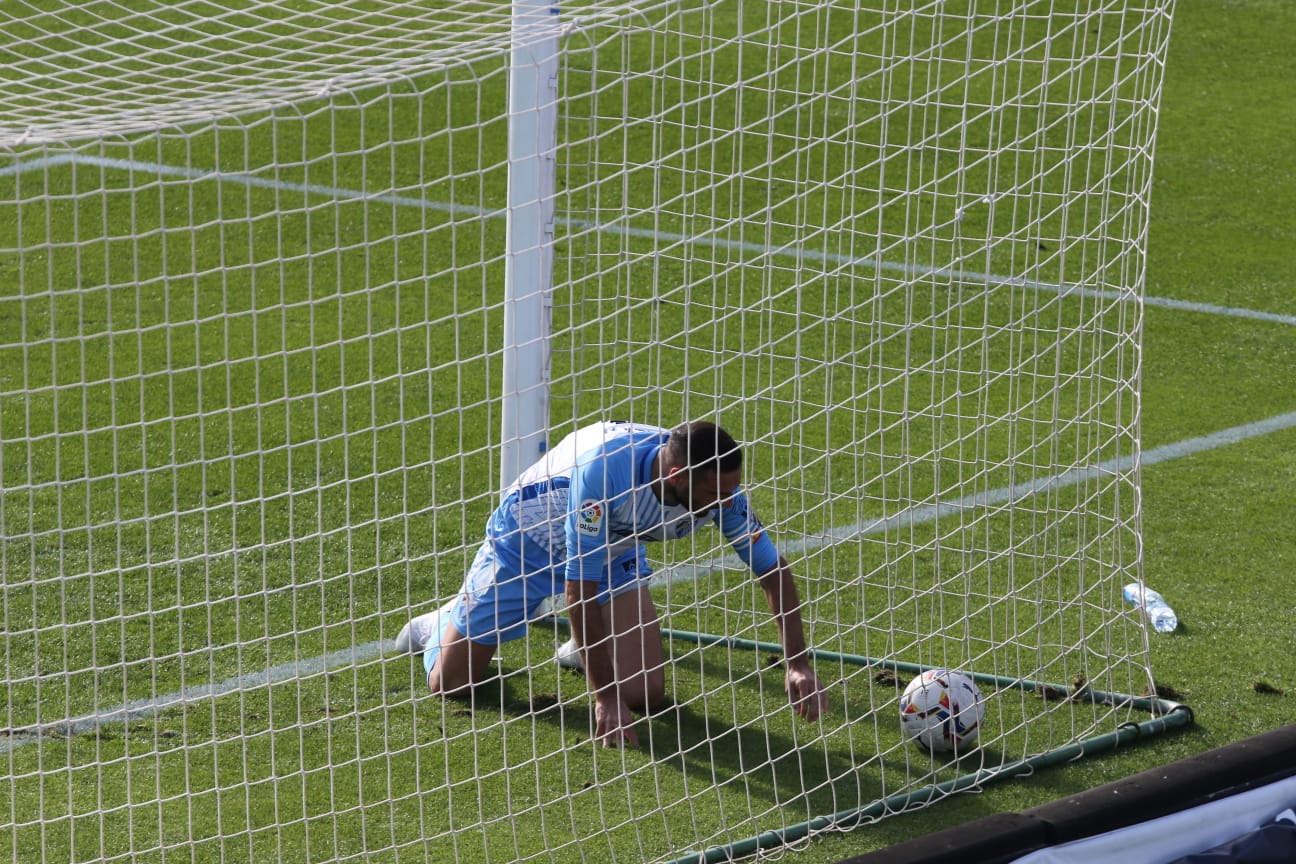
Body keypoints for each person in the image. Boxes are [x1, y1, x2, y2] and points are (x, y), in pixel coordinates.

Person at [395, 419, 827, 747]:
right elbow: (577, 589)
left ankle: (584, 650)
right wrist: (603, 697)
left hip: (614, 546)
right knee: (452, 684)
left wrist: (797, 662)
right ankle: (440, 624)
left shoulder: (719, 490)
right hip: (526, 539)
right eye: (717, 492)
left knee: (643, 693)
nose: (727, 502)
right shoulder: (605, 473)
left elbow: (772, 569)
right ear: (678, 477)